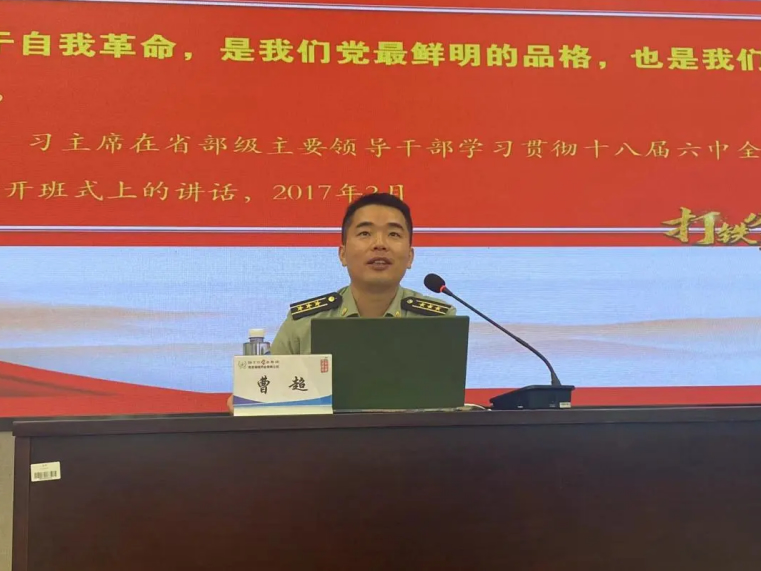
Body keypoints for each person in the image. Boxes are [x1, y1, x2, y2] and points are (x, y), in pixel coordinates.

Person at [226, 193, 454, 411]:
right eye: (365, 233)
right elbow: (263, 393)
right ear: (342, 254)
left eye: (394, 234)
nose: (380, 244)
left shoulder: (438, 321)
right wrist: (249, 400)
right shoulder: (304, 323)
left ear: (410, 257)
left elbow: (446, 408)